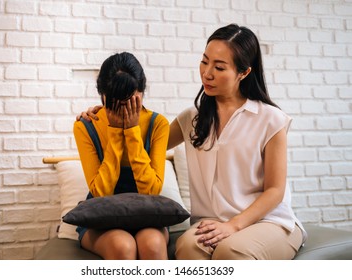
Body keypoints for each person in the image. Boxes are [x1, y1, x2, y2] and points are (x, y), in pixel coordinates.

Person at [78, 24, 307, 260]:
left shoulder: (271, 119)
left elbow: (275, 191)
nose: (207, 73)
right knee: (187, 248)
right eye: (204, 61)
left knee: (230, 252)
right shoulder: (192, 118)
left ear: (244, 73)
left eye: (219, 67)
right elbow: (142, 145)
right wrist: (108, 112)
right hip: (211, 223)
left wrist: (234, 226)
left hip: (267, 221)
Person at [73, 52, 170, 260]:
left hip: (146, 214)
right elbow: (101, 192)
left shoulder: (158, 124)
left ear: (142, 91)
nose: (124, 108)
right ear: (103, 95)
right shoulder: (86, 126)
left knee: (152, 245)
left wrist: (132, 131)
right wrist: (116, 132)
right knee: (122, 246)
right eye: (115, 102)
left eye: (131, 99)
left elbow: (152, 190)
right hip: (102, 217)